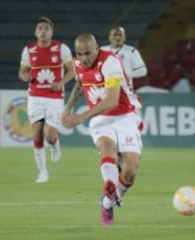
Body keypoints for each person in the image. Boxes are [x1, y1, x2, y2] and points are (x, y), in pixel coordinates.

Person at [62, 33, 143, 225]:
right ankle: (110, 183)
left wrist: (81, 116)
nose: (83, 58)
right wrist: (68, 107)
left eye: (88, 53)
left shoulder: (110, 62)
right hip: (100, 119)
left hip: (124, 116)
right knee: (107, 148)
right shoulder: (78, 63)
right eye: (79, 54)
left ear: (97, 48)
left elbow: (112, 100)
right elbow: (80, 84)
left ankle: (106, 202)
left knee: (130, 172)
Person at [18, 16, 75, 183]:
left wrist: (61, 82)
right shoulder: (28, 50)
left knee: (49, 136)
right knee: (37, 134)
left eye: (46, 28)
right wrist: (25, 76)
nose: (43, 31)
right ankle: (43, 173)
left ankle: (55, 144)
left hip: (55, 98)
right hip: (35, 97)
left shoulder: (62, 49)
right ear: (36, 32)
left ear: (51, 32)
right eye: (40, 28)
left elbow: (72, 71)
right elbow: (22, 72)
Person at [101, 26, 147, 90]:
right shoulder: (102, 51)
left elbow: (142, 71)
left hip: (125, 90)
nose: (117, 37)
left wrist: (122, 75)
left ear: (124, 37)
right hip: (105, 89)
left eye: (120, 35)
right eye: (115, 35)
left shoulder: (131, 51)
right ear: (109, 37)